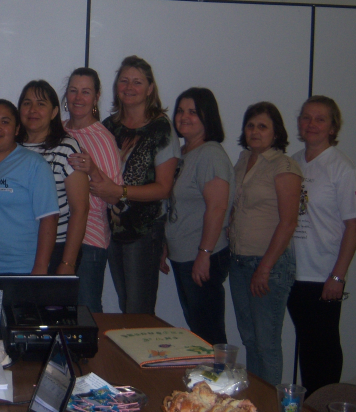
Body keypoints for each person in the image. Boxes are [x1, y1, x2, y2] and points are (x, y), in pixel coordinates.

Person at [89, 55, 180, 314]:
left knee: (138, 310)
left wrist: (120, 192)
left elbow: (164, 188)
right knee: (124, 304)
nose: (129, 87)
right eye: (124, 81)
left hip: (144, 231)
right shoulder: (108, 127)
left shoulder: (162, 129)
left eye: (137, 82)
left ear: (150, 89)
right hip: (112, 229)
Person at [287, 96, 356, 395]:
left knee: (324, 351)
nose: (312, 124)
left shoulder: (343, 168)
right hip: (293, 273)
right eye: (306, 117)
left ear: (333, 127)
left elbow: (354, 225)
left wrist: (338, 276)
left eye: (320, 119)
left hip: (323, 277)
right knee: (307, 350)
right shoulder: (292, 162)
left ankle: (327, 402)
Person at [229, 101, 302, 386]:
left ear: (276, 133)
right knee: (249, 339)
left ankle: (272, 404)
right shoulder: (242, 159)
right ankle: (256, 400)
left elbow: (288, 222)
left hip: (267, 266)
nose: (255, 131)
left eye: (262, 126)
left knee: (267, 343)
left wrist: (265, 269)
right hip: (239, 262)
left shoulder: (284, 165)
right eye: (250, 125)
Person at [0, 99, 60, 297]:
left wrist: (40, 269)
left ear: (16, 129)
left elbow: (49, 219)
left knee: (15, 327)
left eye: (5, 122)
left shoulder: (35, 165)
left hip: (18, 270)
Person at [162, 87, 234, 345]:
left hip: (203, 257)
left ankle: (219, 383)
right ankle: (206, 382)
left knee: (209, 332)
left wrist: (204, 254)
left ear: (207, 116)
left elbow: (217, 207)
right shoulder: (183, 154)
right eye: (180, 111)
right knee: (197, 328)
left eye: (193, 112)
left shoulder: (211, 154)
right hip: (184, 255)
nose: (184, 117)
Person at [62, 67, 121, 313]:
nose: (78, 98)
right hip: (59, 237)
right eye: (73, 91)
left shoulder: (103, 138)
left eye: (85, 92)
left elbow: (116, 198)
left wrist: (93, 169)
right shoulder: (59, 130)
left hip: (90, 241)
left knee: (85, 315)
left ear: (96, 97)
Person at [17, 80, 89, 275]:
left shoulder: (66, 147)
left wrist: (67, 263)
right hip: (16, 248)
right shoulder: (11, 146)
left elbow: (80, 210)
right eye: (27, 103)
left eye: (41, 104)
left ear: (54, 112)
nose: (33, 110)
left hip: (56, 248)